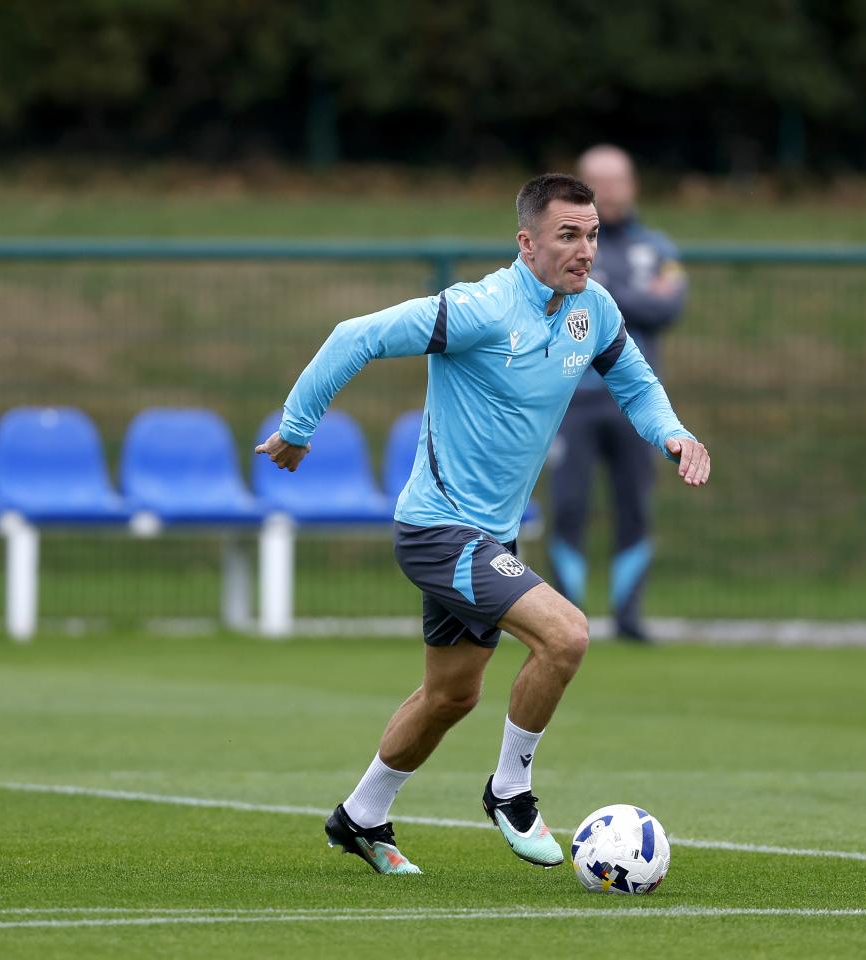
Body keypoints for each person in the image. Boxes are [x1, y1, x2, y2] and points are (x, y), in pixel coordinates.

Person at [256, 173, 710, 876]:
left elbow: (633, 382)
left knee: (451, 695)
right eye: (568, 235)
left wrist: (673, 434)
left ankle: (360, 816)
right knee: (566, 635)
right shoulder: (480, 309)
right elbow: (357, 335)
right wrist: (297, 426)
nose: (585, 249)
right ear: (527, 244)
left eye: (591, 234)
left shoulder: (594, 311)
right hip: (438, 531)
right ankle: (510, 789)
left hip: (490, 536)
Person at [548, 146, 687, 642]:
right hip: (572, 401)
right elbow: (561, 297)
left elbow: (668, 307)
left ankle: (628, 616)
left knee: (635, 507)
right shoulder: (564, 244)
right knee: (567, 506)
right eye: (596, 182)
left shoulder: (658, 249)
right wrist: (632, 296)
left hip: (633, 404)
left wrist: (602, 290)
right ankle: (564, 618)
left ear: (633, 185)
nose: (607, 192)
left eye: (616, 181)